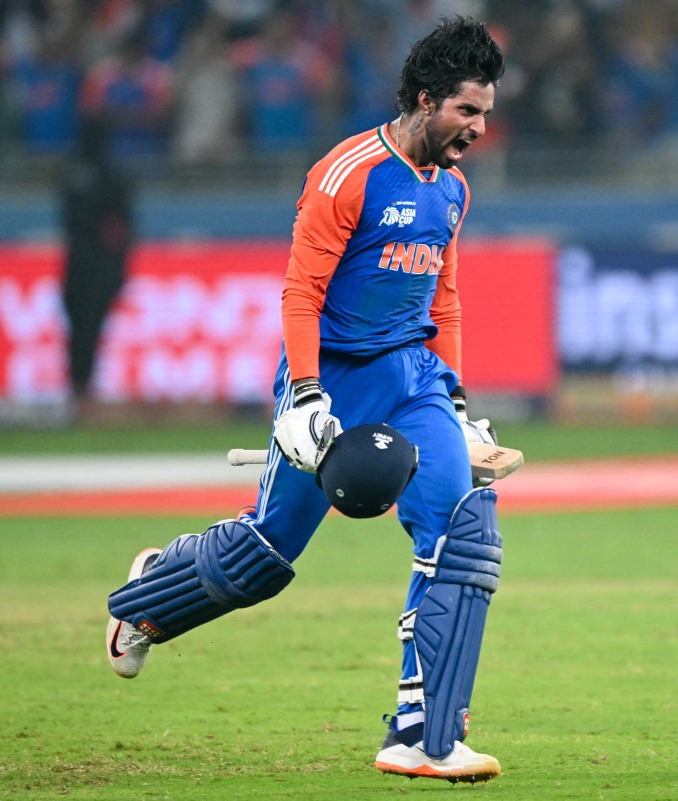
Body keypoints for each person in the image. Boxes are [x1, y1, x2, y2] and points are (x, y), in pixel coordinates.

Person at [104, 17, 507, 784]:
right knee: (267, 555)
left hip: (414, 377)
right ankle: (148, 595)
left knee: (463, 531)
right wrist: (305, 395)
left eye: (484, 113)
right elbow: (302, 292)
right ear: (425, 101)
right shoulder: (346, 172)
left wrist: (453, 399)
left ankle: (423, 736)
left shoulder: (452, 189)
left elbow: (443, 298)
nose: (478, 129)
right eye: (466, 111)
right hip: (335, 377)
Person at [60, 114, 134, 410]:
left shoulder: (74, 172)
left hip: (82, 266)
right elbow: (123, 227)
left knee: (81, 332)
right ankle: (81, 389)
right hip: (96, 266)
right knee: (85, 331)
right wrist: (118, 267)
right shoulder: (111, 175)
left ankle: (81, 388)